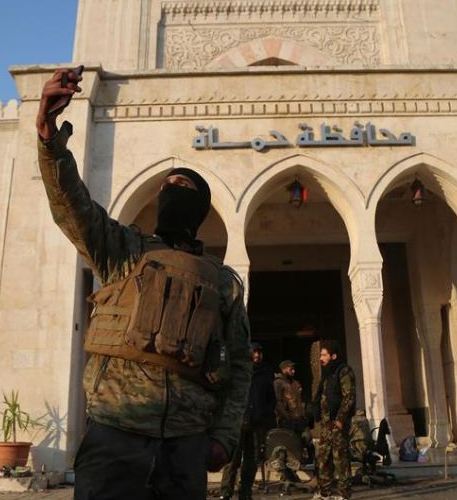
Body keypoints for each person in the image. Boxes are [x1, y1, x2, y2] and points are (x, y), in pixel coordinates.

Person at [35, 68, 252, 500]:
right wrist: (48, 137)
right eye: (168, 186)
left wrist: (223, 438)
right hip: (116, 432)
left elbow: (241, 366)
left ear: (199, 206)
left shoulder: (222, 281)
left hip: (186, 442)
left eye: (185, 186)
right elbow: (71, 206)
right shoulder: (125, 251)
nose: (174, 188)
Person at [220, 343, 276, 500]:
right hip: (237, 423)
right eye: (254, 352)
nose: (257, 355)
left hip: (256, 425)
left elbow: (271, 399)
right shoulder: (239, 371)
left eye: (259, 352)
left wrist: (264, 415)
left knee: (251, 462)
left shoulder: (265, 374)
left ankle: (245, 493)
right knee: (232, 461)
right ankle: (226, 492)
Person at [312, 340, 356, 500]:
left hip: (337, 424)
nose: (321, 358)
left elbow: (349, 396)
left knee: (340, 460)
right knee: (323, 459)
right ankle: (325, 493)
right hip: (326, 424)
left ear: (333, 356)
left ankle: (345, 495)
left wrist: (340, 419)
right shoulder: (327, 374)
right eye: (321, 355)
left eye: (324, 355)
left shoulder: (343, 371)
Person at [273, 360, 312, 455]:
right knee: (288, 446)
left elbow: (299, 400)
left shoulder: (295, 383)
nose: (293, 371)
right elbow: (278, 402)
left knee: (302, 442)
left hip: (298, 420)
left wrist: (303, 414)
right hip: (286, 421)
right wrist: (286, 416)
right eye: (291, 369)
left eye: (293, 369)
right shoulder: (278, 383)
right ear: (284, 369)